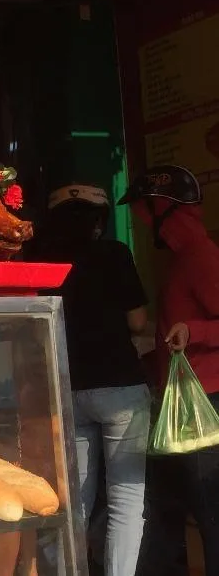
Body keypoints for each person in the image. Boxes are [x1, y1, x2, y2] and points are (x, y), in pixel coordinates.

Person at [26, 183, 150, 576]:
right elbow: (138, 321)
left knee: (74, 499)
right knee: (126, 498)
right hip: (120, 388)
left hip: (67, 388)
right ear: (98, 221)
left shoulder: (39, 261)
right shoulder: (114, 253)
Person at [119, 165, 219, 576]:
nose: (143, 224)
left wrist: (192, 331)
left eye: (145, 213)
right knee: (164, 512)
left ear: (163, 209)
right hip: (177, 407)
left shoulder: (200, 256)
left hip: (204, 408)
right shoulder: (180, 258)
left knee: (209, 513)